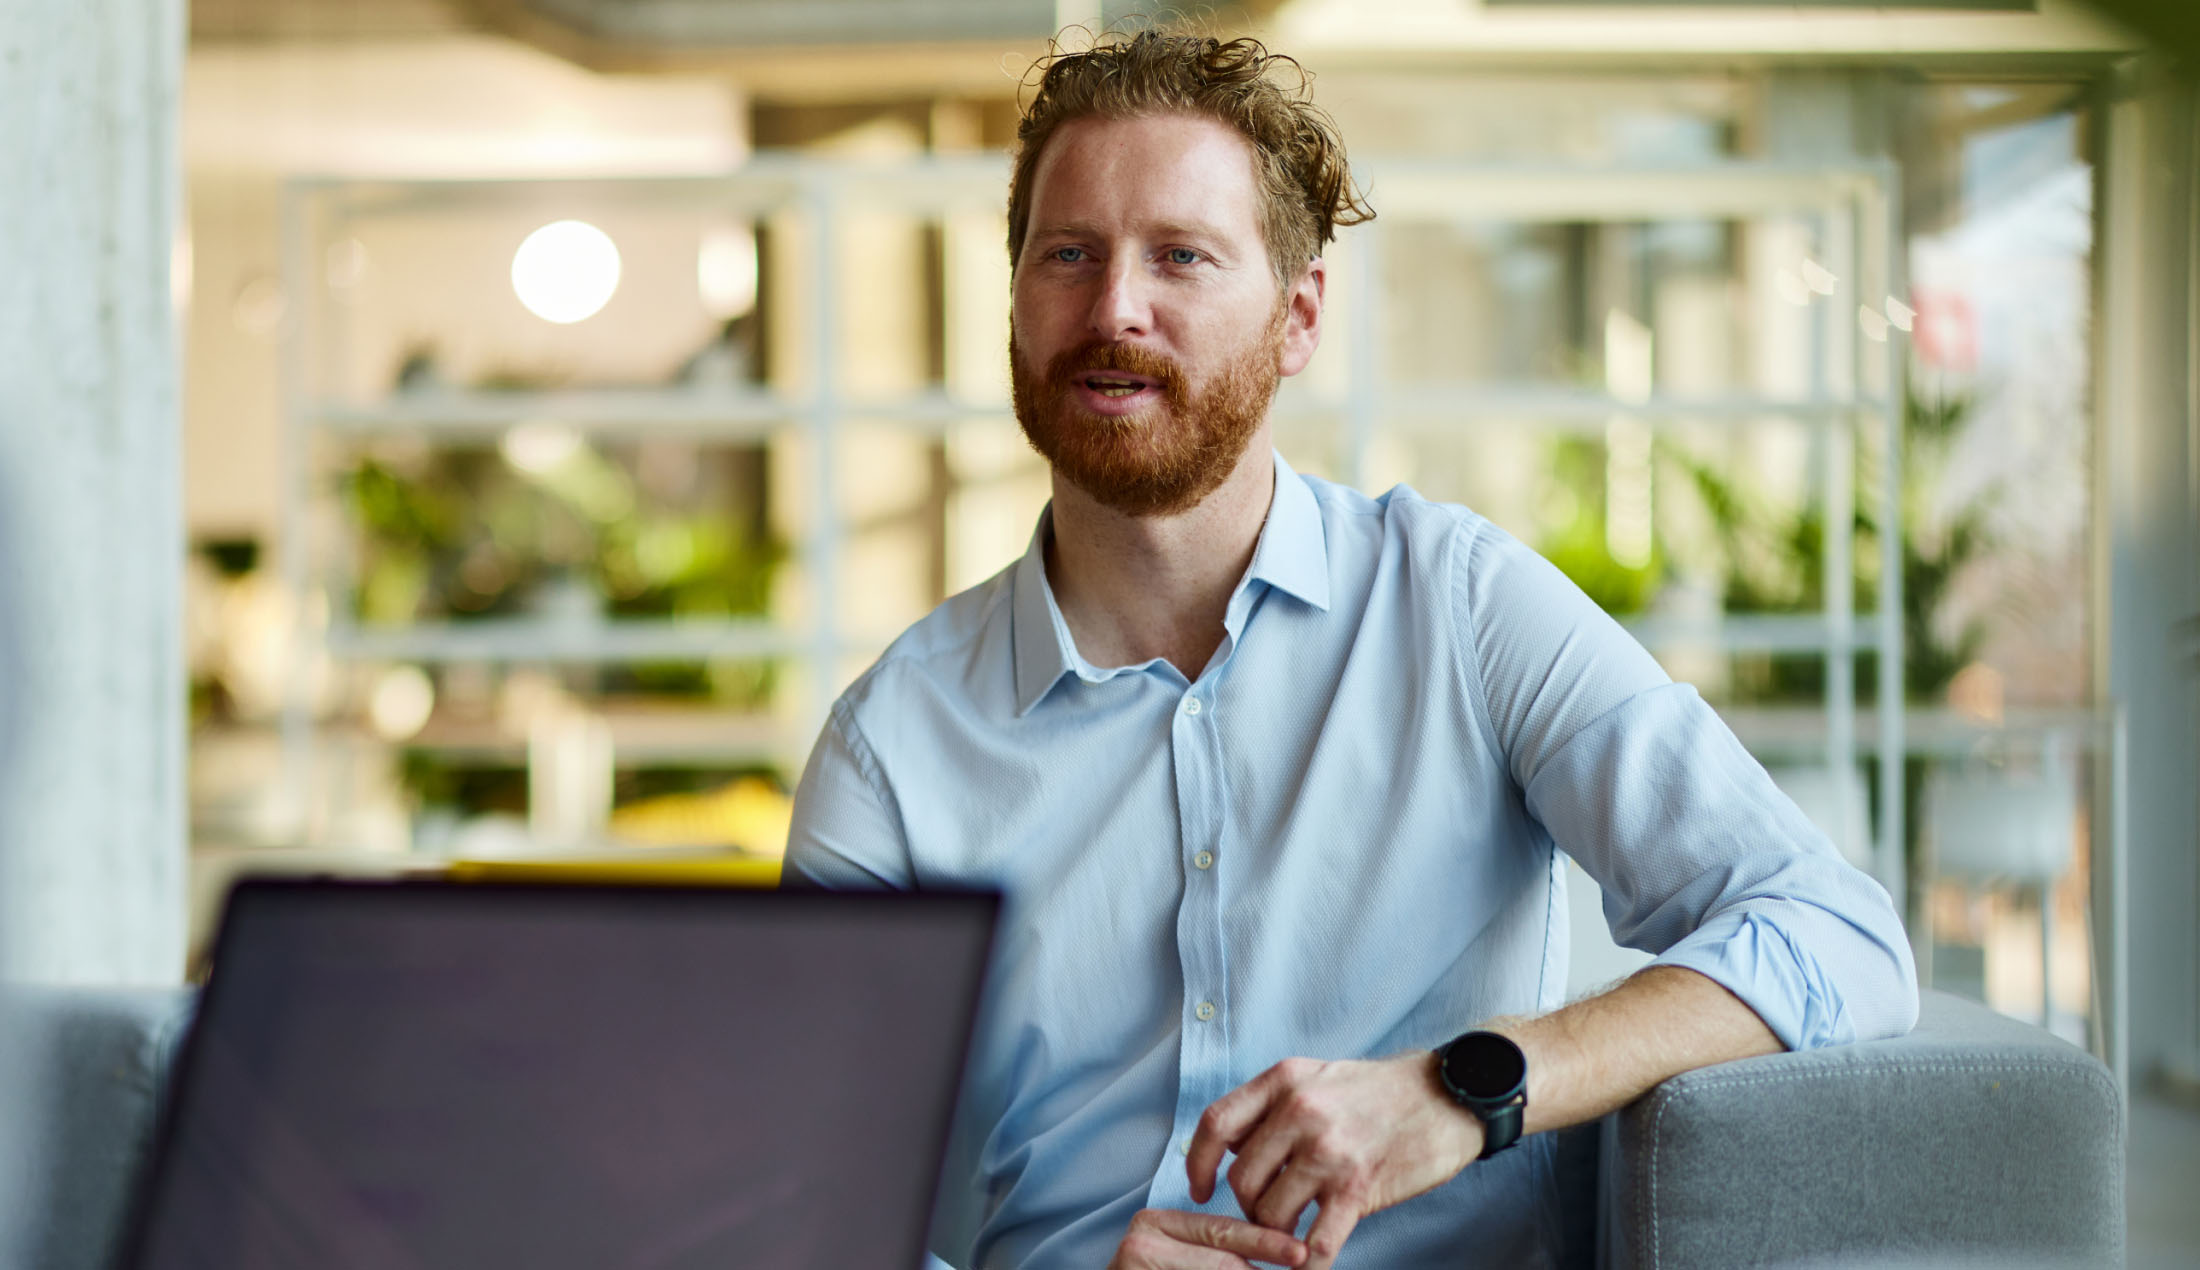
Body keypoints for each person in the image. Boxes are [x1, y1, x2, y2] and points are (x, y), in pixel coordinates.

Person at [784, 28, 1917, 1270]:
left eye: (1181, 256)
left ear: (1298, 314)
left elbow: (1832, 932)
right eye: (1069, 255)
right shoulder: (892, 740)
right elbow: (797, 1198)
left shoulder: (1462, 606)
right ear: (1014, 301)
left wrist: (1464, 1087)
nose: (1115, 308)